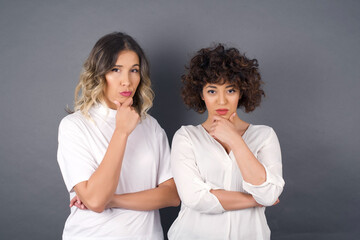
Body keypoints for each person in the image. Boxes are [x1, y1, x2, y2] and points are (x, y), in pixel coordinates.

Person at [57, 32, 180, 240]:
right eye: (116, 70)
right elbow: (96, 200)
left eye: (134, 70)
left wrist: (113, 200)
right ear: (99, 74)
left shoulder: (151, 126)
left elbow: (172, 195)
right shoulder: (74, 126)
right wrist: (121, 131)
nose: (127, 81)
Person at [168, 44, 285, 240]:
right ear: (201, 94)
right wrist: (256, 200)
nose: (222, 101)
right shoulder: (186, 137)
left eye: (230, 91)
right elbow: (195, 198)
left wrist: (234, 140)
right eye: (212, 91)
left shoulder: (265, 136)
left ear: (241, 93)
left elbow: (268, 193)